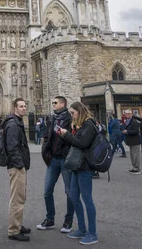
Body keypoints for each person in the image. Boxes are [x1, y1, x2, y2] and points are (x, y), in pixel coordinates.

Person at [59, 101, 98, 245]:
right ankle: (82, 229)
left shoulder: (89, 124)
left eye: (72, 113)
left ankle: (92, 233)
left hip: (86, 167)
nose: (71, 115)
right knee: (74, 196)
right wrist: (71, 131)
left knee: (87, 199)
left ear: (79, 111)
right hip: (77, 165)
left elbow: (82, 144)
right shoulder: (80, 125)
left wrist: (67, 134)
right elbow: (75, 143)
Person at [37, 96, 74, 234]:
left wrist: (65, 151)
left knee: (69, 192)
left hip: (65, 159)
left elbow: (74, 138)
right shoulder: (52, 118)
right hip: (53, 159)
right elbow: (48, 135)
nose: (53, 104)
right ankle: (50, 219)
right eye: (52, 102)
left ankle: (68, 220)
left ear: (63, 104)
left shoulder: (70, 119)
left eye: (55, 103)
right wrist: (46, 149)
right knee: (47, 191)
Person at [4, 97, 31, 242]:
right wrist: (20, 164)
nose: (24, 108)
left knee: (20, 197)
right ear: (15, 108)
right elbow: (12, 147)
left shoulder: (16, 122)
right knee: (17, 199)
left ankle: (18, 224)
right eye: (21, 106)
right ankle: (14, 230)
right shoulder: (13, 124)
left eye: (25, 106)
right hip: (16, 167)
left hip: (18, 165)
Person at [121, 109, 141, 174]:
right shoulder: (128, 121)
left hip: (135, 141)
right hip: (131, 141)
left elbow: (136, 131)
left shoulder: (134, 121)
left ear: (131, 114)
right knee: (132, 155)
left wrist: (127, 131)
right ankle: (134, 168)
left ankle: (137, 169)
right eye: (126, 114)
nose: (127, 115)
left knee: (135, 155)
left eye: (128, 114)